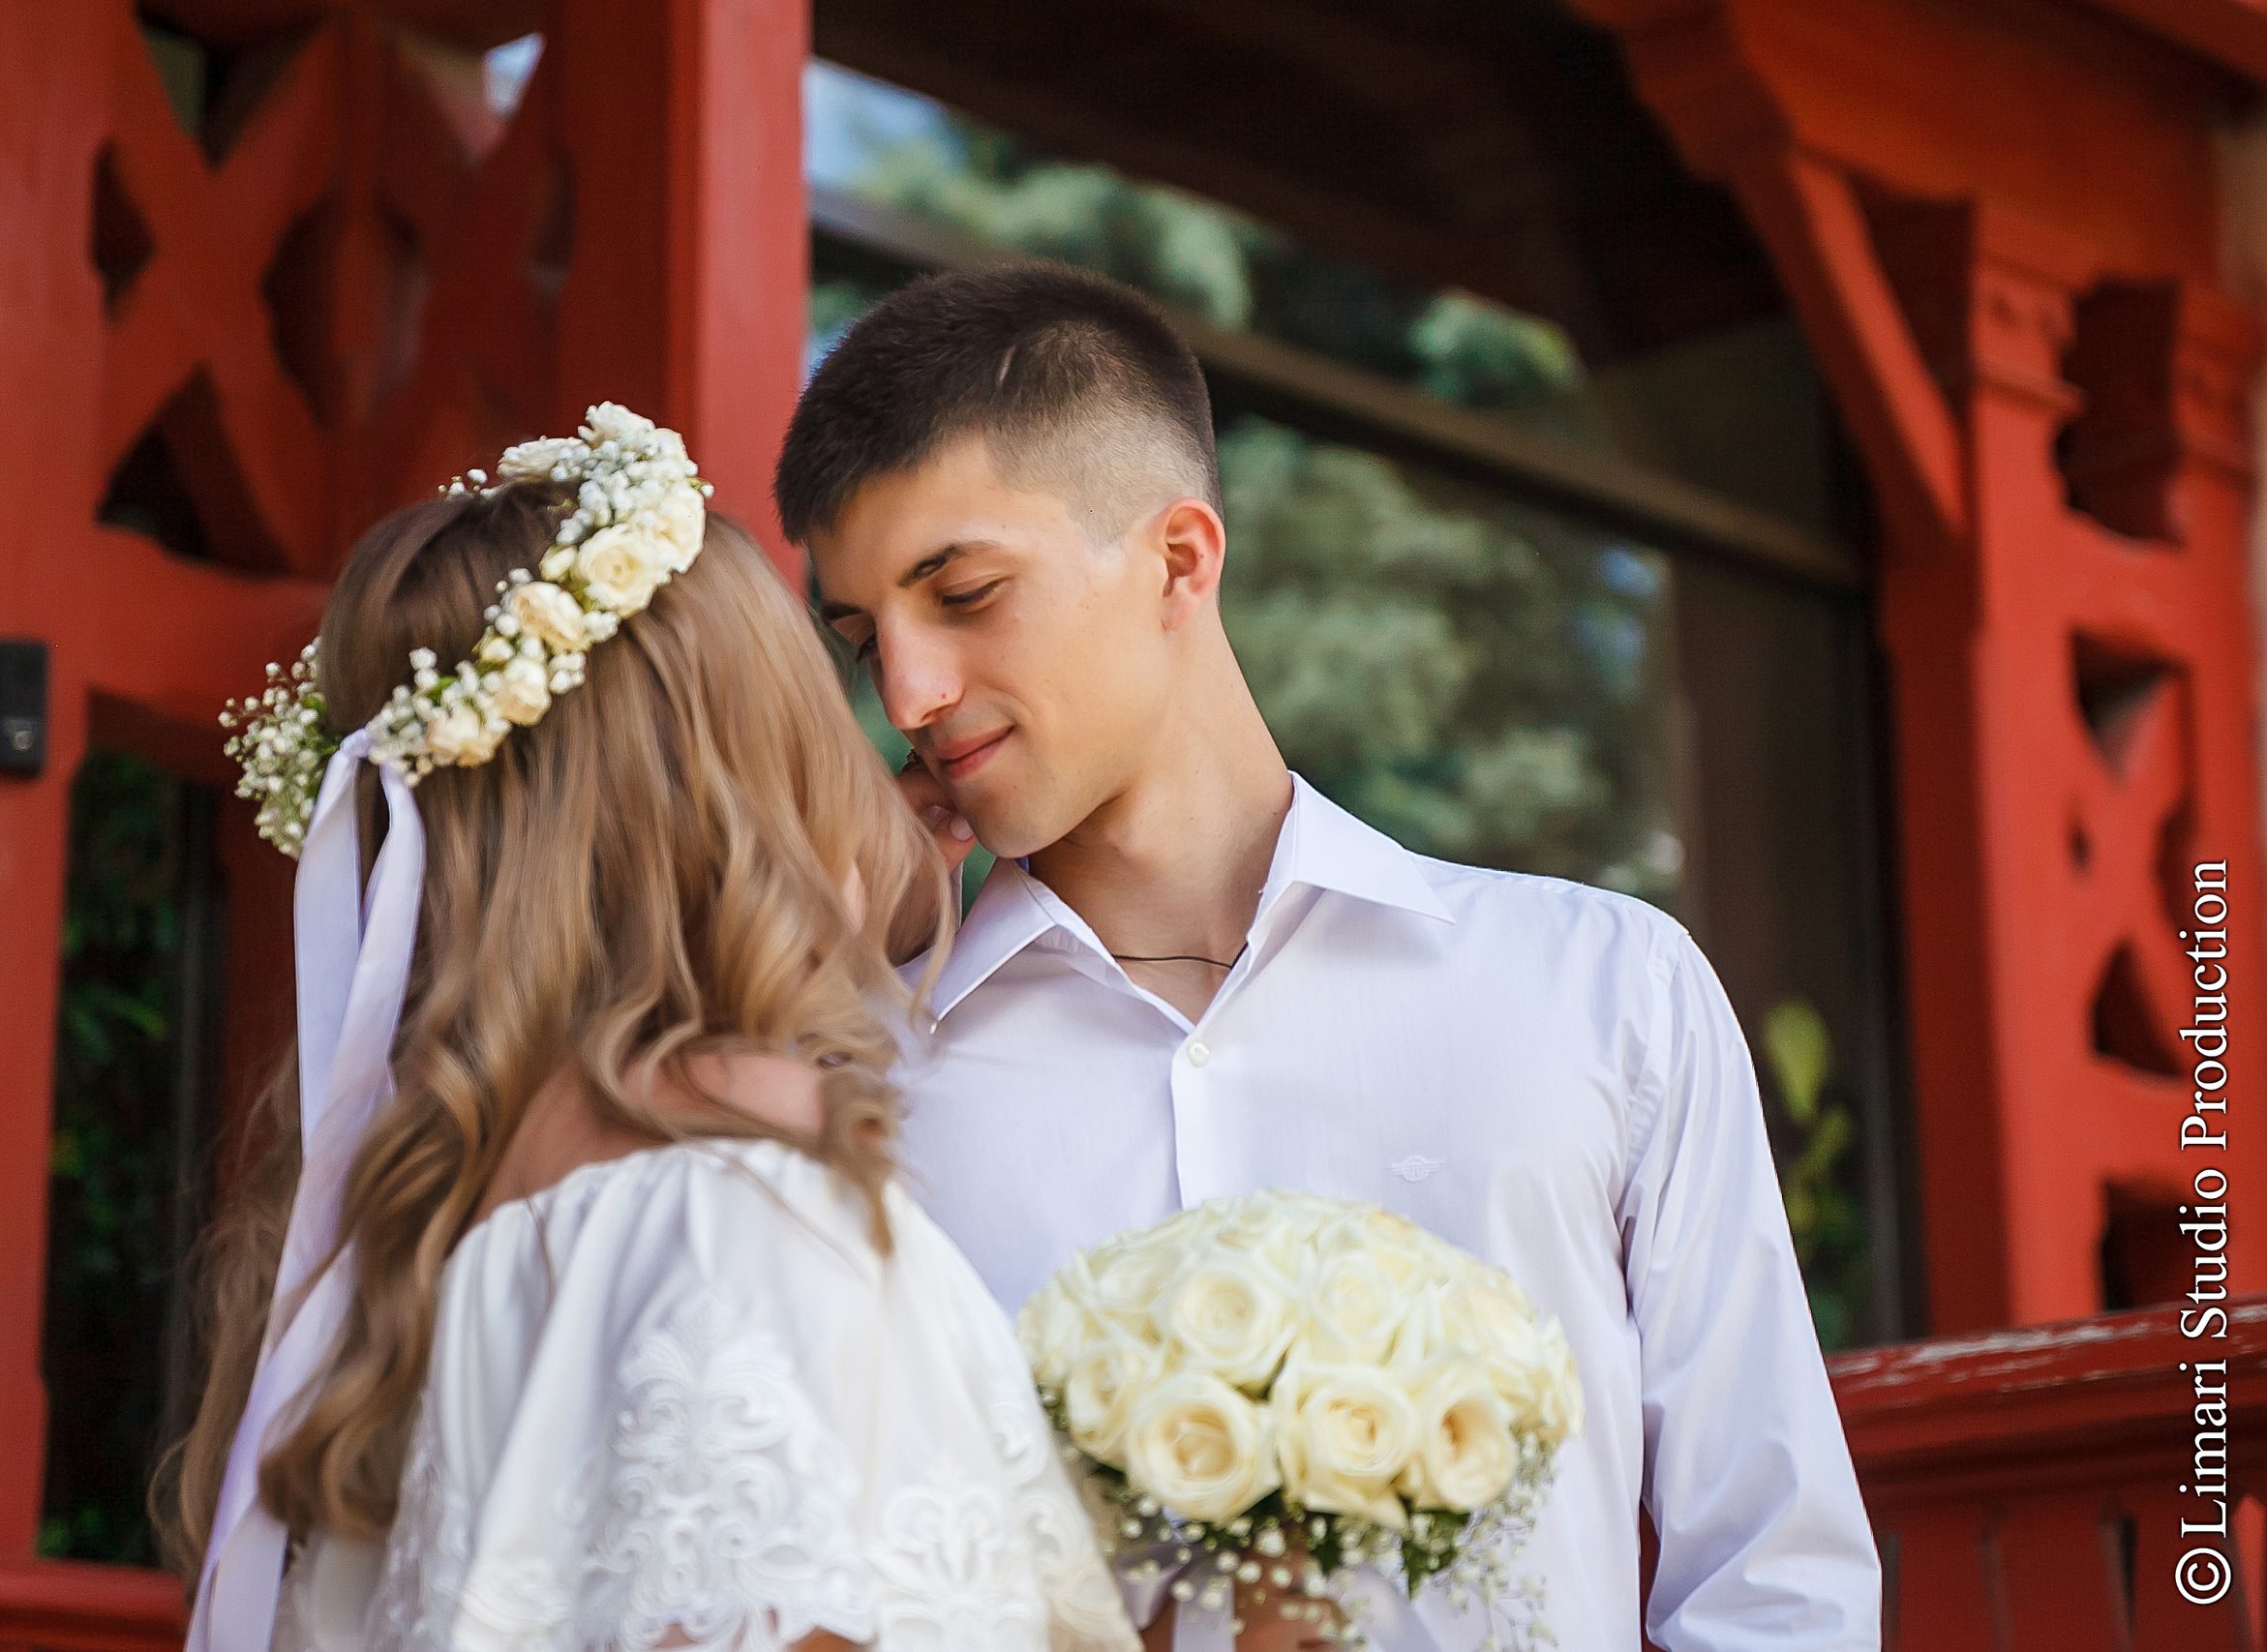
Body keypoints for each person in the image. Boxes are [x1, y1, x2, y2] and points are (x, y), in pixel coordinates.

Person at [781, 266, 1882, 1652]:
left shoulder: (1605, 990)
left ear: (1180, 560)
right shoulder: (858, 1078)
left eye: (964, 592)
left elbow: (1775, 1582)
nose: (907, 693)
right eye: (862, 639)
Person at [160, 408, 1140, 1652]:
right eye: (822, 709)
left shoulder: (397, 1269)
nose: (888, 729)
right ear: (746, 795)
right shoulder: (735, 1220)